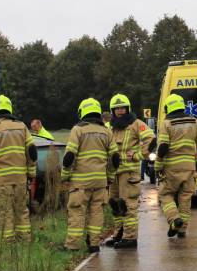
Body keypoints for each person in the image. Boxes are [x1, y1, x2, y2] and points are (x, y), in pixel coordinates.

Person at [62, 98, 118, 252]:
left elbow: (69, 157)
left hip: (80, 183)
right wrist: (110, 177)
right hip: (100, 182)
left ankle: (72, 245)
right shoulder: (106, 131)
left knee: (77, 212)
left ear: (82, 112)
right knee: (96, 212)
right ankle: (94, 245)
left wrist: (65, 176)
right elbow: (115, 158)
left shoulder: (78, 130)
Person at [0, 95, 36, 241]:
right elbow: (32, 153)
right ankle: (24, 241)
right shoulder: (21, 126)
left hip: (1, 182)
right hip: (20, 180)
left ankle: (8, 245)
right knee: (22, 212)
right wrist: (31, 174)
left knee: (4, 215)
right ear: (10, 108)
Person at [106, 93, 154, 249]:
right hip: (114, 173)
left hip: (129, 173)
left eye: (122, 108)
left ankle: (130, 237)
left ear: (128, 109)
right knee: (115, 204)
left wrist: (139, 155)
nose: (120, 110)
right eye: (116, 108)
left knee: (128, 204)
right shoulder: (109, 127)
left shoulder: (136, 123)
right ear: (112, 110)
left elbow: (151, 140)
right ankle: (118, 234)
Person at [155, 94, 197, 238]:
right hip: (189, 167)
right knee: (185, 197)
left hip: (171, 167)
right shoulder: (194, 122)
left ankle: (174, 219)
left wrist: (158, 166)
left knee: (165, 195)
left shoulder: (167, 124)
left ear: (168, 108)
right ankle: (182, 229)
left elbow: (163, 146)